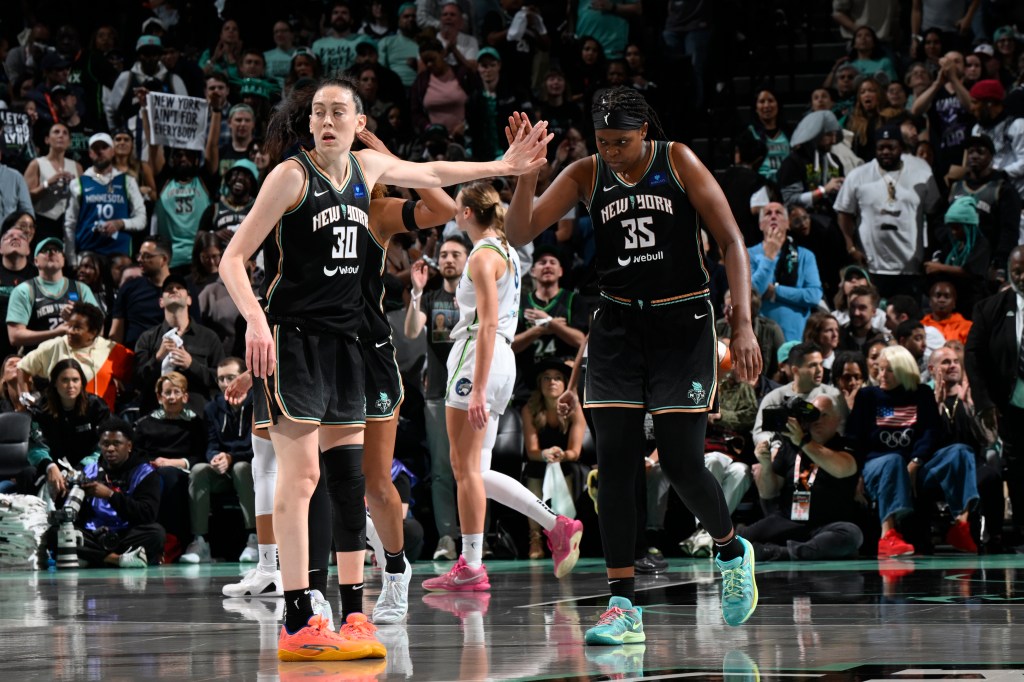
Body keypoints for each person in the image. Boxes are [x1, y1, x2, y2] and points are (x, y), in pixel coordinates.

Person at [217, 76, 550, 659]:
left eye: (338, 112)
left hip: (352, 346)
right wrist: (253, 319)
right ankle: (299, 616)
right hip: (297, 342)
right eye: (318, 112)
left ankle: (353, 615)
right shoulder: (291, 176)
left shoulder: (369, 171)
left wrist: (501, 162)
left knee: (349, 483)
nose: (326, 121)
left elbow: (435, 176)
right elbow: (234, 258)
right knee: (301, 480)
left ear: (358, 120)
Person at [503, 86, 763, 642]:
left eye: (621, 141)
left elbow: (733, 240)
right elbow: (519, 231)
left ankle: (730, 548)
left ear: (644, 130)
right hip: (617, 324)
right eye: (603, 142)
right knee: (615, 465)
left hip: (683, 323)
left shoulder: (678, 160)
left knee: (681, 462)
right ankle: (623, 606)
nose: (612, 152)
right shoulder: (585, 173)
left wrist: (740, 325)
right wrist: (525, 172)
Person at [421, 180, 584, 593]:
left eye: (458, 209)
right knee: (476, 471)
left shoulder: (481, 255)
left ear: (468, 214)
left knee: (463, 470)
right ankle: (556, 525)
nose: (455, 216)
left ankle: (472, 565)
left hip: (480, 355)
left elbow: (488, 321)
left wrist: (475, 388)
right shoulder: (509, 251)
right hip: (501, 359)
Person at [347, 128, 460, 625]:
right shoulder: (299, 201)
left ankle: (395, 570)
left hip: (369, 355)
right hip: (318, 353)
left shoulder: (378, 211)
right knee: (319, 481)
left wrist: (387, 154)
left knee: (375, 483)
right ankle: (317, 591)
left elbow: (443, 210)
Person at [846, 345, 978, 557]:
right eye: (879, 369)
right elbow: (855, 439)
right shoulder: (867, 396)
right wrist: (857, 473)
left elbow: (930, 433)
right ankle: (888, 534)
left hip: (914, 465)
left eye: (888, 370)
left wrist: (915, 462)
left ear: (903, 370)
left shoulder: (922, 393)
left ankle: (961, 526)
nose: (881, 375)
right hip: (879, 466)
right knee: (893, 460)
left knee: (961, 451)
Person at [405, 235, 470, 560]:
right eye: (443, 254)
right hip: (437, 395)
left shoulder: (477, 294)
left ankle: (474, 538)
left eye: (455, 254)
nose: (448, 259)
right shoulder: (430, 298)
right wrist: (416, 292)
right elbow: (413, 330)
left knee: (471, 469)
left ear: (468, 259)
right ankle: (447, 536)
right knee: (443, 469)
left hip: (471, 392)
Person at [746, 394, 863, 561]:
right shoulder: (790, 445)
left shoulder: (846, 445)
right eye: (813, 414)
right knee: (739, 540)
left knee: (852, 535)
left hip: (828, 525)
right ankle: (798, 550)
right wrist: (765, 465)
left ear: (838, 420)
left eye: (824, 415)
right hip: (788, 520)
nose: (817, 420)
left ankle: (781, 552)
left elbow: (842, 468)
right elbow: (768, 493)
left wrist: (804, 442)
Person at [834, 124, 942, 300]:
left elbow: (933, 212)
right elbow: (844, 213)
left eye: (891, 147)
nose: (885, 151)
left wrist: (929, 253)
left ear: (901, 147)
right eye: (881, 147)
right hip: (871, 266)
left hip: (910, 265)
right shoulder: (859, 175)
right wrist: (851, 247)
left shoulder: (921, 171)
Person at [965, 246, 1024, 544]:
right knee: (1015, 466)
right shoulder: (992, 308)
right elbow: (973, 355)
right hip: (1010, 403)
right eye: (1017, 272)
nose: (1022, 277)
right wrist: (984, 401)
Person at [134, 371, 209, 561]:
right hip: (151, 470)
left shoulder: (195, 424)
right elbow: (138, 453)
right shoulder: (145, 424)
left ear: (185, 396)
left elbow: (201, 455)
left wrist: (172, 463)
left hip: (182, 471)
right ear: (159, 397)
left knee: (169, 475)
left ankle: (174, 542)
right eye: (167, 393)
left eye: (176, 392)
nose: (172, 397)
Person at [71, 417, 165, 568]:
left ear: (129, 446)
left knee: (156, 533)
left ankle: (94, 557)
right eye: (105, 444)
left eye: (117, 444)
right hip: (95, 533)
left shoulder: (145, 473)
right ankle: (118, 559)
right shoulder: (89, 471)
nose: (110, 449)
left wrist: (110, 495)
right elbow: (76, 516)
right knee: (57, 532)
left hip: (126, 534)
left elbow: (147, 515)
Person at [191, 357, 257, 564]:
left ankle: (254, 539)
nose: (225, 383)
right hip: (223, 469)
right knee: (199, 470)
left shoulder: (258, 402)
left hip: (250, 469)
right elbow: (211, 444)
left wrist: (231, 457)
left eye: (231, 377)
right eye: (221, 379)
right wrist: (215, 458)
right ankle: (200, 541)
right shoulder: (213, 408)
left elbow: (258, 447)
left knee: (241, 468)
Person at [521, 358, 586, 559]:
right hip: (539, 462)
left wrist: (561, 454)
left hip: (565, 462)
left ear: (565, 384)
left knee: (565, 472)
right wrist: (544, 454)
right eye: (547, 378)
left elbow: (575, 452)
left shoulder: (574, 410)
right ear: (540, 383)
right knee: (533, 474)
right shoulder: (529, 409)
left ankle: (562, 537)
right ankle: (536, 539)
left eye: (558, 378)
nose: (552, 382)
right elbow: (531, 450)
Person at [16, 301, 132, 413]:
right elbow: (23, 367)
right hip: (61, 421)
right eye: (69, 326)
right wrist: (25, 396)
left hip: (102, 421)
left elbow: (135, 373)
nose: (70, 331)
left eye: (77, 328)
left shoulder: (111, 349)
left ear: (93, 332)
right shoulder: (54, 346)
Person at [133, 274, 225, 409]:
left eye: (179, 288)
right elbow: (137, 381)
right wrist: (157, 358)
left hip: (197, 416)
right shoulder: (147, 338)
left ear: (189, 300)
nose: (174, 290)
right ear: (161, 302)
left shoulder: (208, 337)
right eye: (169, 288)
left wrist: (192, 365)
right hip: (156, 415)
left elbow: (221, 379)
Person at [6, 238, 99, 355]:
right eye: (45, 250)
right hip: (38, 364)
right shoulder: (24, 290)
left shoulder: (81, 289)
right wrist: (56, 333)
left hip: (76, 362)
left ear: (63, 260)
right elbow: (15, 336)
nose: (52, 252)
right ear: (36, 261)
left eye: (57, 250)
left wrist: (76, 317)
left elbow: (99, 329)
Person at [64, 133, 147, 262]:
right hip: (87, 254)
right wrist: (71, 260)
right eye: (96, 149)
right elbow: (70, 224)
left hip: (120, 255)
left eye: (104, 147)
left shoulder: (127, 181)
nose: (100, 152)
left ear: (113, 151)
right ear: (90, 153)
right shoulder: (78, 183)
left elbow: (141, 219)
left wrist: (121, 223)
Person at [948, 135, 1021, 281]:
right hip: (959, 259)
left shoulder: (1003, 188)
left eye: (980, 152)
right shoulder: (956, 187)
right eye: (971, 152)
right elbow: (945, 226)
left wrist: (1000, 262)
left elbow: (1009, 231)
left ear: (991, 157)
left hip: (987, 262)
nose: (974, 156)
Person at [30, 359, 111, 488]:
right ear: (55, 383)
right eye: (64, 380)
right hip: (54, 467)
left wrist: (79, 469)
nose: (70, 385)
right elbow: (36, 447)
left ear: (82, 383)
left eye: (75, 380)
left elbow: (102, 446)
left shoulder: (97, 407)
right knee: (27, 474)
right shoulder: (41, 409)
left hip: (89, 466)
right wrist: (49, 466)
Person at [748, 202, 823, 342]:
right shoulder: (748, 255)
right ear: (760, 225)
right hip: (760, 336)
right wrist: (769, 257)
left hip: (795, 337)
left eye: (779, 213)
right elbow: (752, 293)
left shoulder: (805, 255)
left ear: (788, 224)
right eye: (768, 213)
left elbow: (813, 295)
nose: (773, 216)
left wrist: (776, 291)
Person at [753, 342, 846, 445]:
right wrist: (773, 445)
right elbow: (760, 433)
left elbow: (842, 430)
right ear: (795, 370)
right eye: (812, 365)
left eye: (821, 364)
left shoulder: (833, 395)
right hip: (783, 455)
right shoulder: (775, 398)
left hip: (823, 454)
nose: (819, 370)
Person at [23, 123, 82, 241]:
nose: (61, 135)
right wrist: (47, 184)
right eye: (56, 132)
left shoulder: (77, 167)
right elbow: (25, 197)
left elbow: (84, 197)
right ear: (47, 140)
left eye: (65, 133)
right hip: (44, 222)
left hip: (70, 222)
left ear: (69, 142)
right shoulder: (37, 164)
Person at [0, 223, 38, 361]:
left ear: (29, 249)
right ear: (0, 248)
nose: (15, 238)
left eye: (22, 237)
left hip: (33, 349)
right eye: (8, 237)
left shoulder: (39, 275)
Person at [735, 88, 790, 183]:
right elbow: (740, 164)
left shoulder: (789, 132)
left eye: (771, 101)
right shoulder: (748, 134)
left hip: (787, 184)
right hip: (758, 185)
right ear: (756, 108)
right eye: (762, 101)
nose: (766, 105)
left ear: (778, 104)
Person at [922, 279, 973, 344]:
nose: (941, 300)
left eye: (947, 297)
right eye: (938, 296)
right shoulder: (921, 326)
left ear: (954, 303)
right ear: (930, 301)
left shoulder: (967, 326)